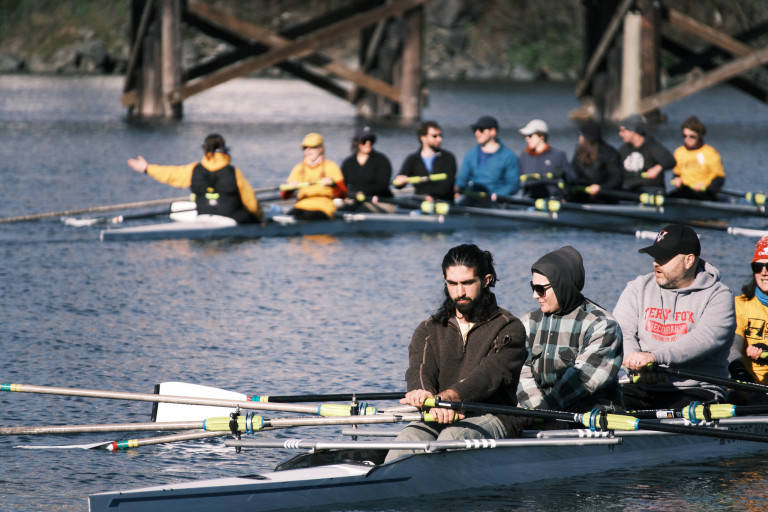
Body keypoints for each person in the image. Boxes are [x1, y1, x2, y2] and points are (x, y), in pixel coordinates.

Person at [384, 244, 527, 462]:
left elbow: (488, 376)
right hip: (440, 413)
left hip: (494, 416)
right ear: (445, 280)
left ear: (486, 280)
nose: (459, 292)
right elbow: (420, 369)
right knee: (406, 440)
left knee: (451, 438)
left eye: (468, 283)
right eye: (453, 283)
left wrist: (448, 399)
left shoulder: (509, 328)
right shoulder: (429, 328)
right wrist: (423, 394)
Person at [613, 224, 735, 410]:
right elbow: (620, 331)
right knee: (606, 406)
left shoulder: (719, 296)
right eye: (655, 256)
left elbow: (704, 339)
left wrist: (654, 358)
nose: (656, 262)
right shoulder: (638, 288)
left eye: (664, 257)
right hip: (640, 384)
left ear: (688, 260)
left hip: (697, 389)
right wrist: (635, 362)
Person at [517, 246, 624, 413]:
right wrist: (537, 410)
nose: (535, 296)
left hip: (589, 414)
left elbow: (583, 378)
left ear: (562, 285)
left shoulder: (603, 324)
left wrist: (549, 408)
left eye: (540, 289)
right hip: (539, 412)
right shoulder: (527, 323)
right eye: (533, 287)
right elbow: (520, 374)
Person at [127, 133, 263, 224]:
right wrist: (261, 219)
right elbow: (250, 200)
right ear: (225, 150)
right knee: (250, 215)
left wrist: (147, 168)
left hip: (203, 215)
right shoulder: (233, 172)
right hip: (232, 217)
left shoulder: (194, 170)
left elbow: (170, 174)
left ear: (205, 150)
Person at [731, 236, 768, 393]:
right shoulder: (740, 304)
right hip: (747, 386)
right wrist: (738, 370)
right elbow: (734, 341)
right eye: (758, 267)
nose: (764, 273)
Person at [281, 132, 347, 220]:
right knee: (286, 218)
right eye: (305, 148)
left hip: (323, 207)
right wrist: (290, 189)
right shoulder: (299, 168)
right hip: (301, 205)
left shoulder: (331, 166)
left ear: (321, 149)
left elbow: (343, 195)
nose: (308, 151)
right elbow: (284, 197)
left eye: (312, 147)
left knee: (305, 217)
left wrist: (333, 185)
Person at [455, 115, 520, 203]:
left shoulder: (509, 156)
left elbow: (513, 184)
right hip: (472, 198)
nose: (477, 133)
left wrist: (497, 195)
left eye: (481, 130)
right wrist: (455, 189)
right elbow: (462, 180)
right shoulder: (470, 154)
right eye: (475, 130)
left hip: (495, 201)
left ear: (493, 131)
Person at [393, 120, 457, 202]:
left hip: (442, 200)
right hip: (419, 199)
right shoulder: (413, 159)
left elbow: (448, 182)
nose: (440, 139)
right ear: (423, 138)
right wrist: (399, 181)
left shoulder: (448, 158)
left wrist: (432, 196)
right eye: (434, 136)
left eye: (440, 136)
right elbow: (400, 180)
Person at [565, 120, 624, 203]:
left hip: (604, 198)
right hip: (582, 196)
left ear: (588, 138)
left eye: (581, 135)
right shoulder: (579, 153)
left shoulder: (610, 154)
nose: (579, 138)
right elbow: (573, 173)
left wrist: (601, 187)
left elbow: (616, 179)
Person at [617, 114, 676, 194]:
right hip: (629, 189)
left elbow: (670, 160)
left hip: (650, 189)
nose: (620, 134)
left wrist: (657, 168)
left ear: (633, 131)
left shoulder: (652, 146)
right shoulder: (624, 149)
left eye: (623, 131)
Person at [670, 116, 725, 201]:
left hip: (704, 192)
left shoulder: (710, 152)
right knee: (669, 196)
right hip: (684, 191)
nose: (687, 139)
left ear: (699, 136)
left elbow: (720, 178)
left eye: (692, 136)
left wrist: (706, 186)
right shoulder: (679, 152)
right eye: (685, 136)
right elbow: (677, 173)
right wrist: (676, 179)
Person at [340, 126, 394, 212]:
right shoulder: (348, 163)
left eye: (371, 140)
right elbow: (342, 186)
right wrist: (353, 194)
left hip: (380, 200)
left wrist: (361, 193)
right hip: (356, 199)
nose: (368, 143)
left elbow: (382, 185)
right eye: (364, 140)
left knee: (362, 209)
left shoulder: (382, 160)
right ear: (357, 142)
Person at [517, 119, 575, 199]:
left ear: (541, 136)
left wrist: (563, 174)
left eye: (530, 136)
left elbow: (572, 179)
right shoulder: (524, 156)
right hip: (530, 200)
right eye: (526, 136)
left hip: (552, 201)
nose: (527, 139)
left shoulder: (558, 155)